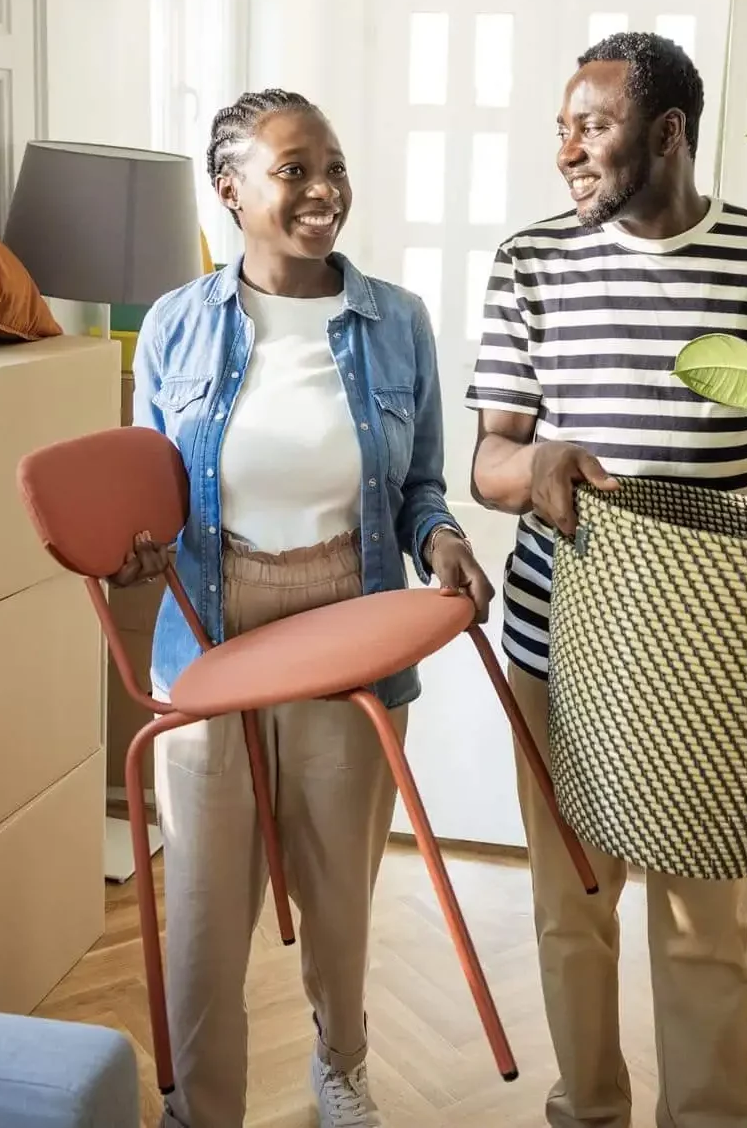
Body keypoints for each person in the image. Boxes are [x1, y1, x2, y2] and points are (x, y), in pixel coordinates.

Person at [467, 33, 747, 1128]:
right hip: (560, 648)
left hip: (717, 657)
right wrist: (537, 466)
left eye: (593, 126)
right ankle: (588, 1111)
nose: (567, 150)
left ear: (668, 133)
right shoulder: (530, 262)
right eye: (561, 128)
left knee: (707, 926)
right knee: (573, 904)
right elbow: (488, 460)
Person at [116, 88, 495, 1128]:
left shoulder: (396, 320)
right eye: (294, 170)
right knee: (204, 911)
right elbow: (152, 488)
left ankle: (342, 1066)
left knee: (338, 898)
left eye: (334, 167)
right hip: (211, 633)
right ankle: (201, 1110)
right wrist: (136, 549)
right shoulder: (175, 324)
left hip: (349, 625)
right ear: (230, 189)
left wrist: (441, 539)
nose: (324, 190)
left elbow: (421, 487)